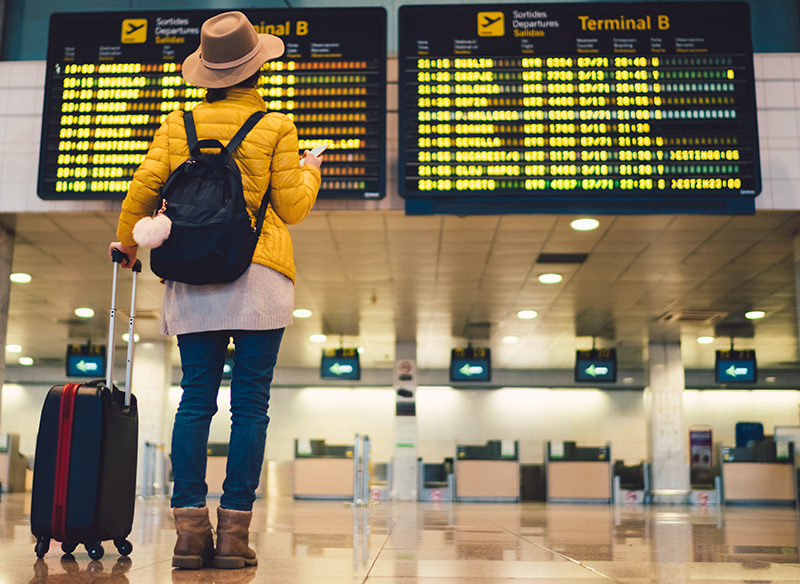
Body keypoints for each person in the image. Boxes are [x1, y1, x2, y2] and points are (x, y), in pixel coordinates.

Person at [109, 11, 322, 571]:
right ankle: (233, 536)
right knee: (251, 404)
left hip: (193, 273)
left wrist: (127, 244)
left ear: (206, 73)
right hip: (259, 276)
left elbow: (144, 186)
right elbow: (293, 207)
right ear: (257, 70)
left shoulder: (178, 123)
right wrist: (311, 169)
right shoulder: (276, 126)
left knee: (196, 399)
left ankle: (187, 535)